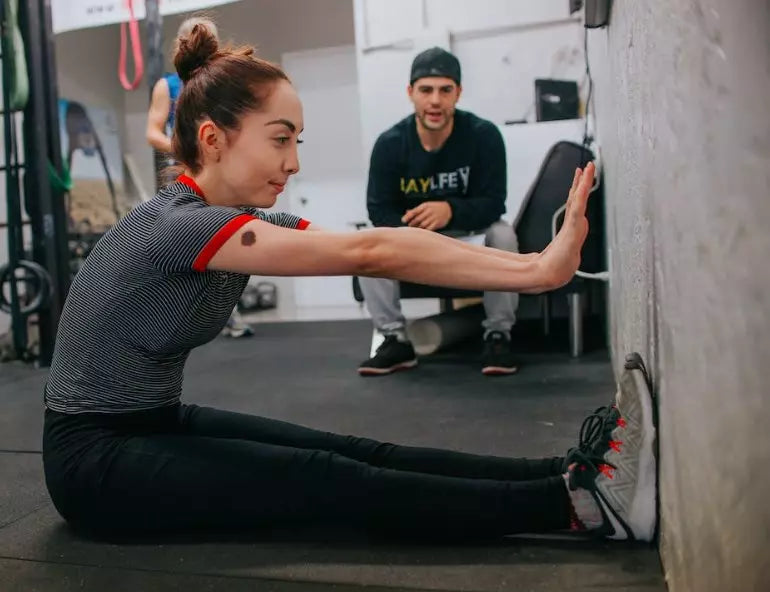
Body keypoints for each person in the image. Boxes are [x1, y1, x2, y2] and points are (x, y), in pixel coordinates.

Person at [42, 23, 656, 542]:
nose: (294, 162)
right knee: (325, 479)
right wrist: (538, 271)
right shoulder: (180, 227)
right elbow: (372, 246)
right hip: (94, 460)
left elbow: (385, 250)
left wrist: (537, 267)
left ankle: (570, 472)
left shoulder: (243, 220)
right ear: (213, 139)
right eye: (280, 140)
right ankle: (579, 508)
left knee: (358, 452)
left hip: (152, 421)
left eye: (297, 141)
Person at [358, 48, 519, 377]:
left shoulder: (483, 135)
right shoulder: (390, 144)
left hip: (466, 233)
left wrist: (449, 210)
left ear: (458, 93)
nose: (435, 100)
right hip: (413, 236)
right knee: (365, 240)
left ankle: (498, 334)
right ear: (410, 93)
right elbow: (379, 209)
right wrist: (414, 231)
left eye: (445, 90)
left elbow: (494, 203)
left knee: (503, 233)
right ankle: (394, 339)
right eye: (426, 90)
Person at [146, 15, 252, 338]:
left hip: (220, 170)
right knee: (184, 241)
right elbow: (153, 132)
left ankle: (226, 313)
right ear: (182, 44)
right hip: (184, 172)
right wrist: (185, 151)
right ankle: (180, 315)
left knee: (228, 236)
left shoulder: (222, 81)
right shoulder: (168, 86)